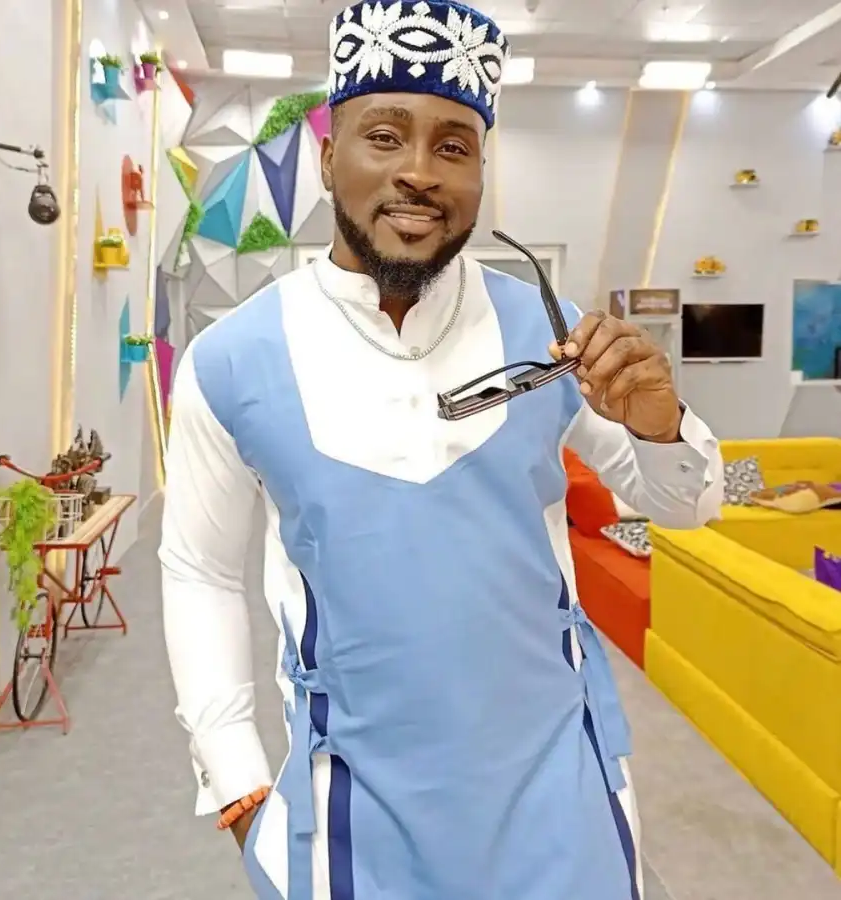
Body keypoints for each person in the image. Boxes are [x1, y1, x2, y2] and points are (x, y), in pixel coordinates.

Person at [160, 1, 724, 897]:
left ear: (481, 172)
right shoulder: (231, 362)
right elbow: (199, 570)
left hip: (559, 793)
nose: (419, 173)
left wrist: (661, 424)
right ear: (328, 156)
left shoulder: (554, 336)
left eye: (453, 146)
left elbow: (689, 505)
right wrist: (235, 779)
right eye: (384, 136)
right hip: (351, 806)